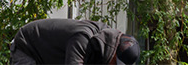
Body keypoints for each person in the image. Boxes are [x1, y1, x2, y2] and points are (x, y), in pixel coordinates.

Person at [8, 15, 144, 65]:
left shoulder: (101, 46)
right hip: (28, 47)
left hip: (48, 57)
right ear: (113, 52)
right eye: (116, 63)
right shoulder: (83, 38)